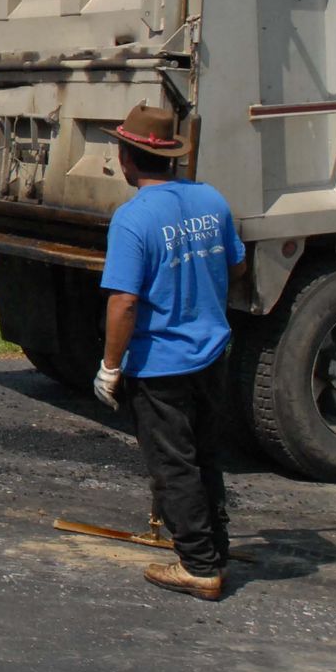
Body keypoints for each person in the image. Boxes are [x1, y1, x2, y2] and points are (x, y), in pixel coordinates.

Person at [94, 103, 246, 601]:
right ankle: (214, 548)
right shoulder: (212, 201)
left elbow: (124, 301)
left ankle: (200, 566)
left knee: (173, 464)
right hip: (212, 351)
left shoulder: (133, 218)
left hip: (161, 363)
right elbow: (237, 266)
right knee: (205, 455)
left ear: (126, 157)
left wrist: (110, 366)